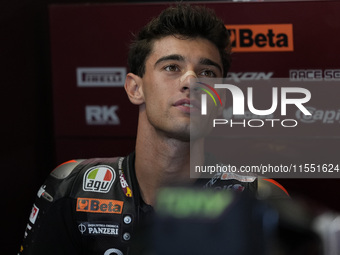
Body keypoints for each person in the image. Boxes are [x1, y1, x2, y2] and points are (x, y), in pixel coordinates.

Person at [19, 4, 288, 255]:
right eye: (172, 67)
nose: (191, 82)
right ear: (135, 88)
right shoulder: (71, 187)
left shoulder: (259, 200)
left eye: (207, 72)